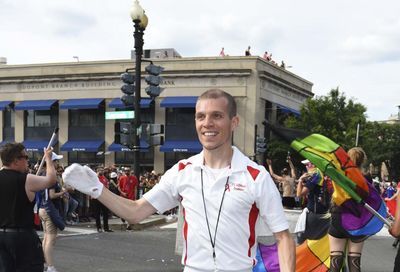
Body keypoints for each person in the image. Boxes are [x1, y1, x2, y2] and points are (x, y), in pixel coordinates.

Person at [63, 89, 295, 272]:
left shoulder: (256, 176)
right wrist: (96, 189)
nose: (208, 123)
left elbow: (283, 237)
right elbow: (135, 212)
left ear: (234, 122)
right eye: (201, 116)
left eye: (217, 116)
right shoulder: (183, 170)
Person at [0, 143, 56, 272]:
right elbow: (51, 180)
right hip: (22, 237)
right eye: (26, 157)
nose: (28, 161)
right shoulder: (26, 179)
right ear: (16, 160)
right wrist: (48, 158)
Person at [328, 147, 369, 272]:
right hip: (357, 221)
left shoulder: (338, 176)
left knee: (335, 261)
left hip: (338, 217)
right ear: (363, 161)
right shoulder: (366, 179)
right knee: (354, 262)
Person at [38, 152, 66, 272]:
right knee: (50, 239)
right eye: (55, 161)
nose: (56, 163)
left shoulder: (42, 175)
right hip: (50, 209)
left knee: (46, 238)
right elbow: (52, 195)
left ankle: (46, 263)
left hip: (42, 208)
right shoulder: (51, 178)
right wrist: (63, 192)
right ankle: (50, 266)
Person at [295, 160, 331, 244]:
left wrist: (300, 180)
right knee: (319, 244)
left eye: (307, 165)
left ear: (313, 165)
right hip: (326, 215)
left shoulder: (316, 176)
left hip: (314, 215)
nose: (306, 167)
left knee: (303, 243)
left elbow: (299, 194)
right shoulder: (326, 175)